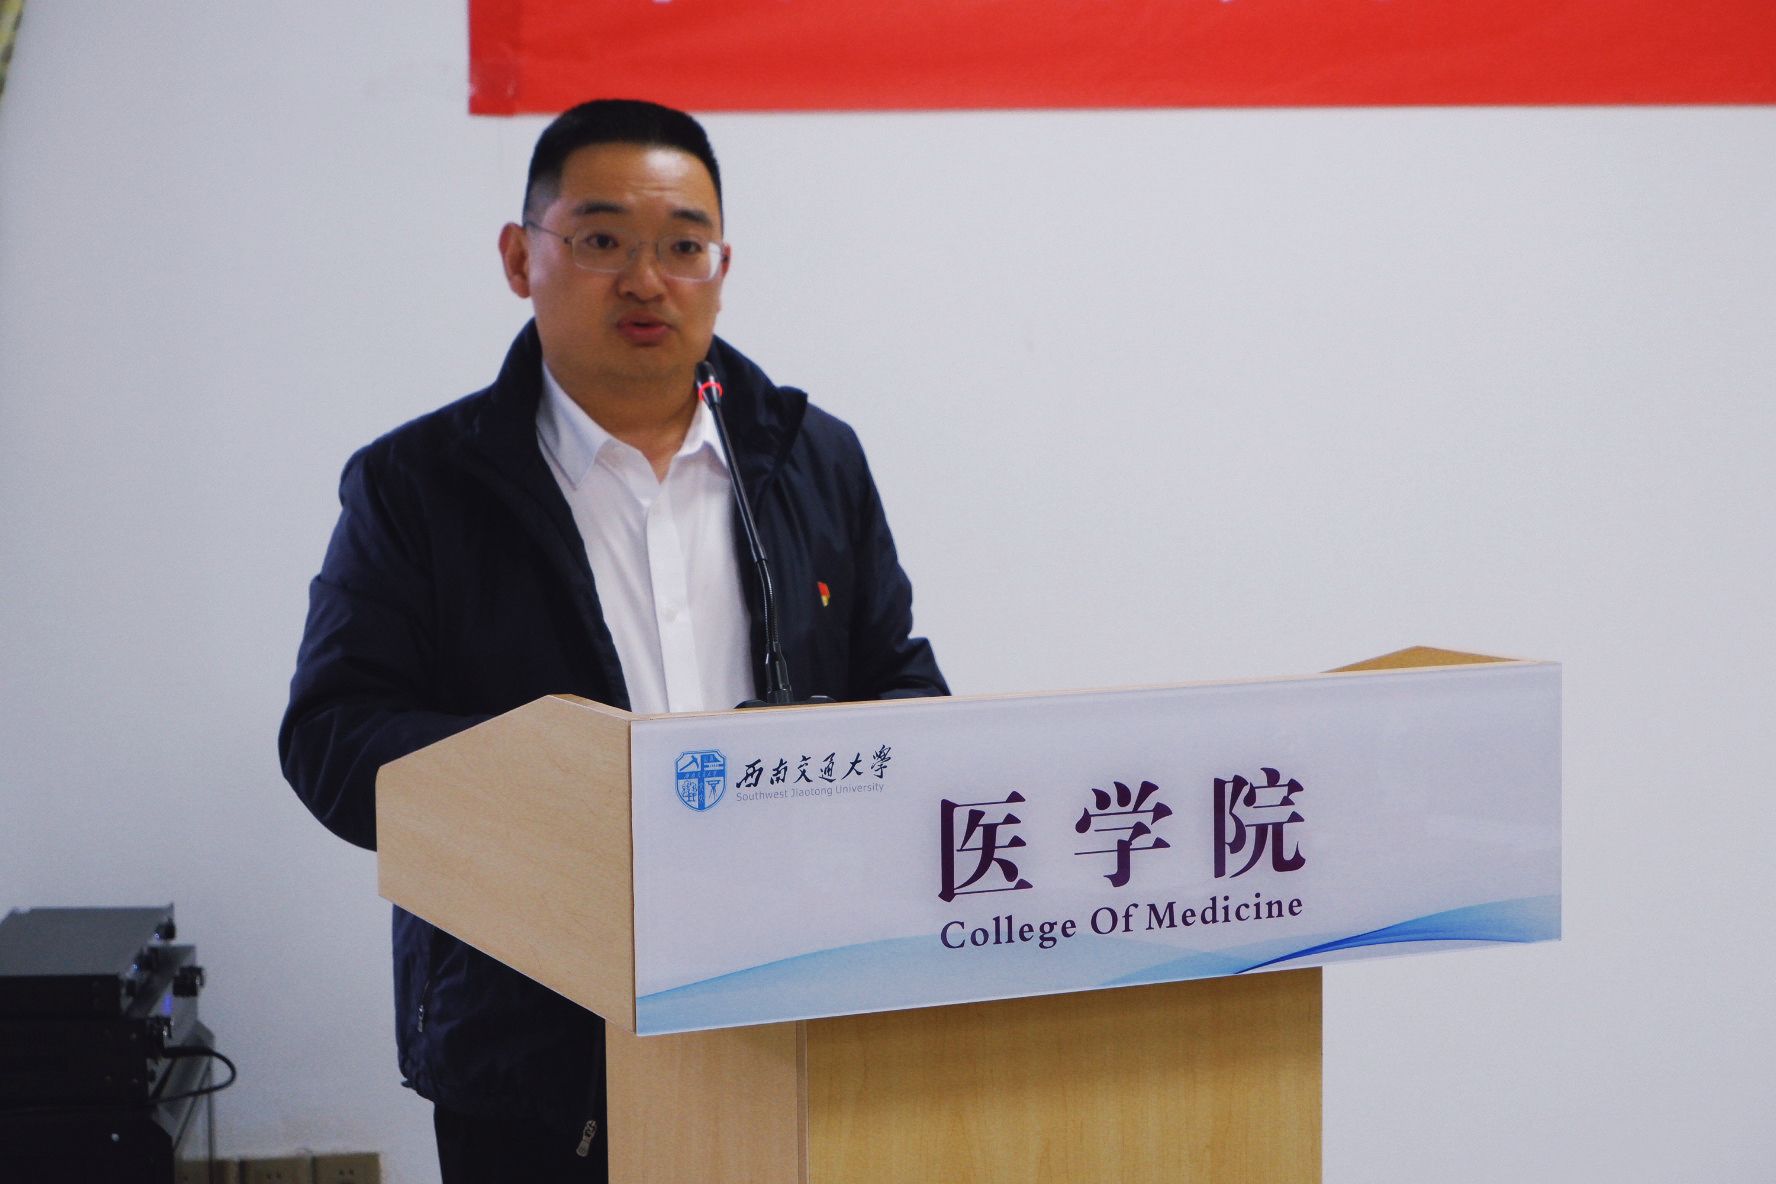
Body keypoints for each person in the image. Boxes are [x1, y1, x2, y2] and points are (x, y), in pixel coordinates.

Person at [278, 99, 946, 1182]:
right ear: (520, 257)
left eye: (683, 246)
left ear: (721, 267)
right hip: (531, 1031)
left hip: (796, 1004)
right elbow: (333, 739)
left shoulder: (815, 458)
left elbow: (905, 690)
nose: (646, 280)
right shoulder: (419, 485)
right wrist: (571, 789)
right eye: (601, 240)